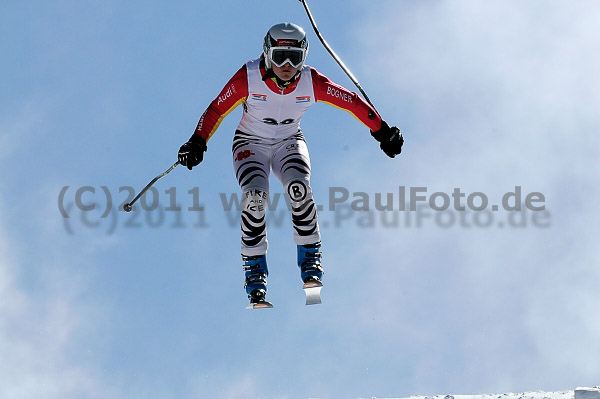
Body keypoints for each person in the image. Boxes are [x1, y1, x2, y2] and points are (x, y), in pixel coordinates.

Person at [178, 22, 403, 306]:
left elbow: (351, 102)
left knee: (299, 190)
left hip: (288, 142)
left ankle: (310, 257)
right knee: (255, 198)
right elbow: (216, 109)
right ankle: (255, 269)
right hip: (250, 143)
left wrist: (382, 131)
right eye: (279, 56)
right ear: (267, 53)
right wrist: (197, 141)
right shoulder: (248, 77)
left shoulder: (311, 82)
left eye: (295, 58)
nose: (286, 65)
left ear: (304, 58)